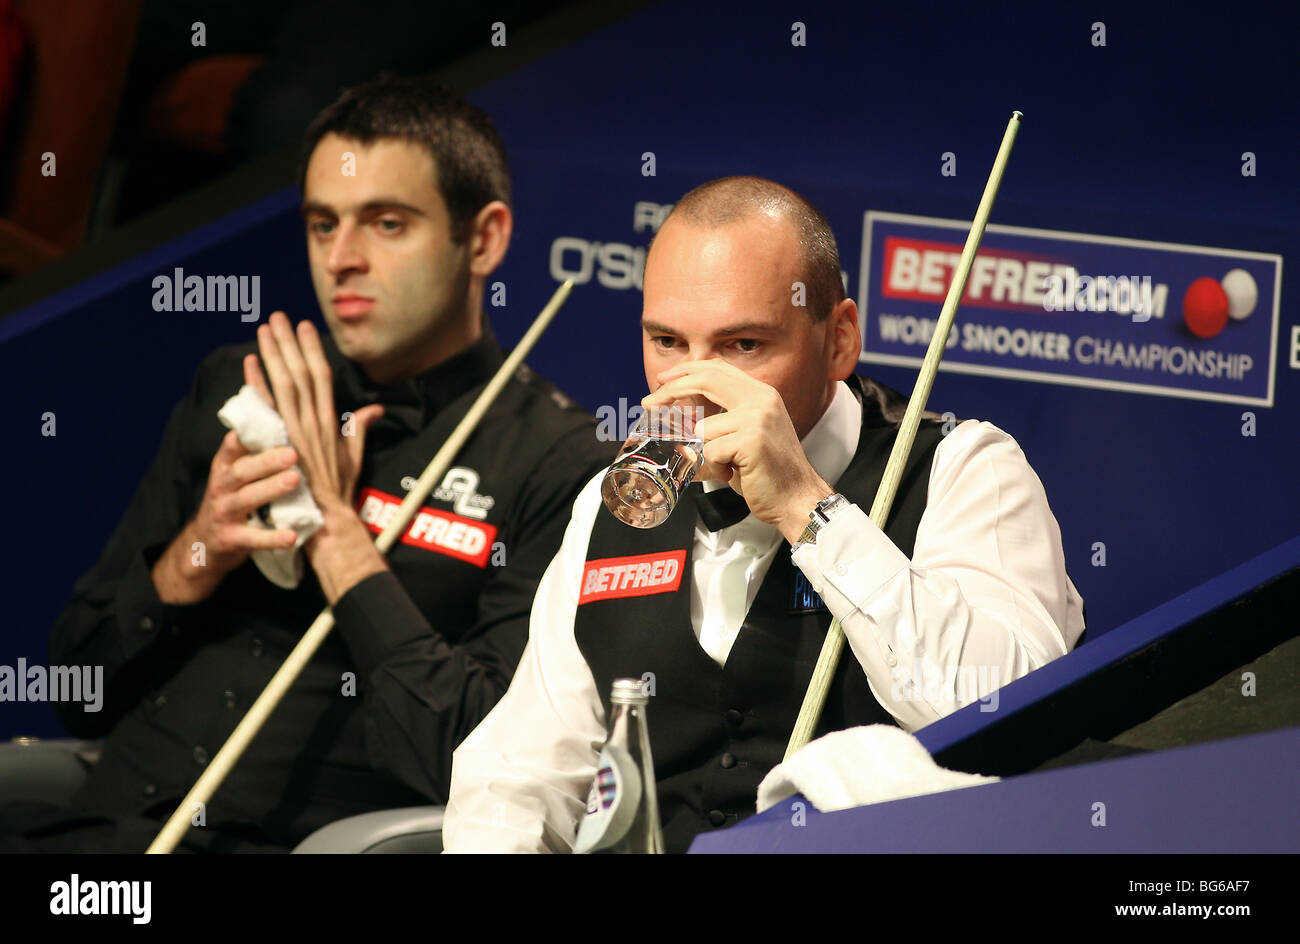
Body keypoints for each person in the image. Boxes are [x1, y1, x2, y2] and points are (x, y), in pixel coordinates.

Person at [0, 75, 610, 852]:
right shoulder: (242, 385)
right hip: (97, 828)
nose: (342, 259)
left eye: (387, 223)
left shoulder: (560, 464)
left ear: (483, 238)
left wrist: (333, 534)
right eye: (323, 225)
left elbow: (482, 765)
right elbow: (73, 690)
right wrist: (195, 554)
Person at [442, 176, 1086, 854]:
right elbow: (517, 774)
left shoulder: (964, 470)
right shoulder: (611, 501)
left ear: (838, 339)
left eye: (743, 346)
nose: (693, 389)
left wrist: (807, 506)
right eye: (666, 342)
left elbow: (1007, 713)